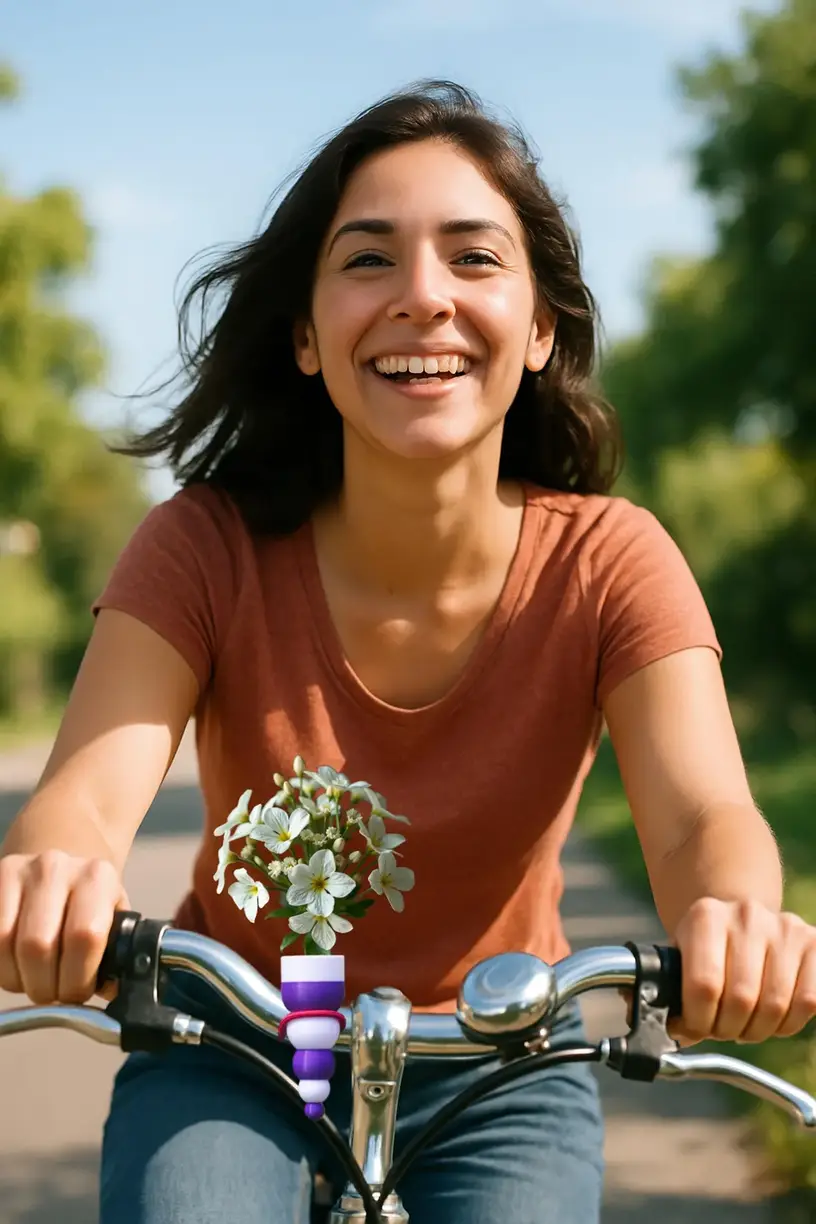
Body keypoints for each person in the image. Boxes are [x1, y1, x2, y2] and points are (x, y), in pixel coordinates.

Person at [0, 79, 813, 1224]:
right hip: (229, 1045)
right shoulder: (202, 545)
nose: (423, 297)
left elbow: (699, 823)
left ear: (539, 330)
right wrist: (52, 881)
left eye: (474, 259)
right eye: (369, 260)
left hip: (505, 1061)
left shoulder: (612, 561)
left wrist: (734, 916)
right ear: (303, 332)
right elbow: (80, 808)